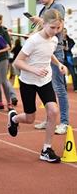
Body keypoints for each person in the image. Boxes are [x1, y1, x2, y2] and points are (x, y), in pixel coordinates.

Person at [8, 9, 67, 163]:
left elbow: (48, 54)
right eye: (52, 28)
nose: (55, 31)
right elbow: (17, 62)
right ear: (45, 24)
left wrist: (59, 64)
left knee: (53, 111)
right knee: (29, 118)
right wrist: (34, 69)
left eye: (58, 28)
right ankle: (14, 119)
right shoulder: (33, 40)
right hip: (28, 81)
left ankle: (46, 149)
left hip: (45, 80)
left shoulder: (53, 40)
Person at [31, 0, 69, 134]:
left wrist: (40, 21)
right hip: (43, 51)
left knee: (59, 89)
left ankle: (64, 122)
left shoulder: (58, 7)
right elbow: (42, 30)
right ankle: (49, 120)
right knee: (47, 88)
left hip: (56, 50)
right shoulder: (42, 10)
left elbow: (57, 25)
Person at [0, 13, 18, 110]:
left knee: (3, 80)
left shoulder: (3, 32)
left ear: (0, 21)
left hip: (2, 59)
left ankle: (9, 102)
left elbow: (9, 46)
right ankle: (0, 102)